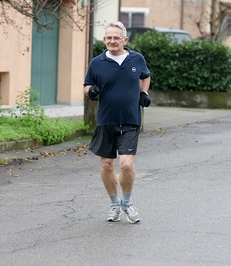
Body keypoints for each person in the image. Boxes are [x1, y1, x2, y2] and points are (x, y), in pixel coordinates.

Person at [83, 21, 151, 223]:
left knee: (127, 165)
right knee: (106, 166)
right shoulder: (97, 63)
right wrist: (91, 91)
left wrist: (143, 93)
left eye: (116, 37)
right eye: (109, 37)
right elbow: (87, 85)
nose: (112, 41)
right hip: (106, 120)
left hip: (130, 120)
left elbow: (145, 76)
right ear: (104, 40)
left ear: (125, 40)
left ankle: (127, 204)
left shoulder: (136, 59)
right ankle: (114, 205)